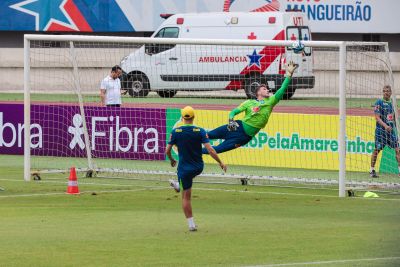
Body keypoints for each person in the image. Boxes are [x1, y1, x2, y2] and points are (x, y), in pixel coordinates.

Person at [202, 61, 298, 154]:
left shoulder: (271, 101)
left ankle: (193, 152)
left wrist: (289, 75)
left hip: (243, 137)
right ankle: (189, 140)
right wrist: (231, 120)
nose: (268, 90)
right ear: (258, 93)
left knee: (218, 149)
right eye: (264, 89)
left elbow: (282, 90)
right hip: (236, 127)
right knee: (208, 135)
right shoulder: (249, 103)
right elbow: (233, 112)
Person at [166, 106, 227, 232]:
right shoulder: (200, 131)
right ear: (194, 117)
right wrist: (220, 162)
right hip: (198, 166)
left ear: (182, 118)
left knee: (185, 197)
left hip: (184, 169)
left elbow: (167, 150)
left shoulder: (176, 132)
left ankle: (191, 224)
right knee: (184, 178)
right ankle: (178, 184)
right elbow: (210, 149)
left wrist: (172, 159)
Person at [370, 85, 400, 178]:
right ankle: (372, 170)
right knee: (377, 150)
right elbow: (377, 118)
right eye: (384, 91)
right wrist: (385, 126)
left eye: (387, 91)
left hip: (391, 132)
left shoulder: (393, 104)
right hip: (381, 131)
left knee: (398, 150)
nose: (386, 92)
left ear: (391, 93)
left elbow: (394, 118)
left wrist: (397, 129)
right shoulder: (379, 102)